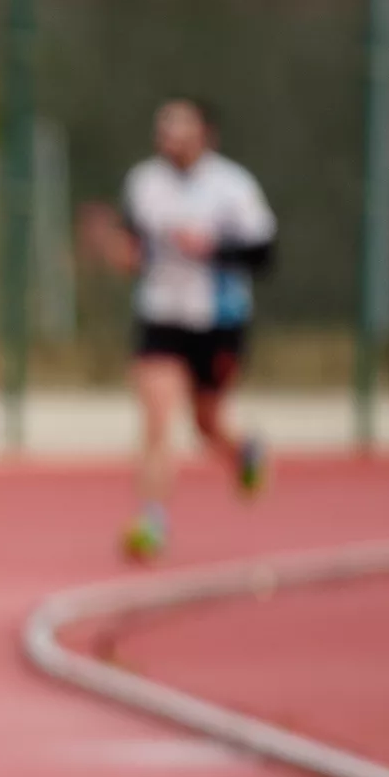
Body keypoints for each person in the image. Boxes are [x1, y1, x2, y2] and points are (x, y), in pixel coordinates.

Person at [100, 97, 275, 561]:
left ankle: (245, 451)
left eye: (180, 129)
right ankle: (151, 521)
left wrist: (213, 246)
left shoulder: (233, 186)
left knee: (206, 422)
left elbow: (264, 253)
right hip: (160, 315)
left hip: (218, 321)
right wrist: (120, 253)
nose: (170, 138)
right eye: (164, 129)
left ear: (205, 135)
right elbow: (135, 248)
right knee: (158, 422)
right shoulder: (144, 183)